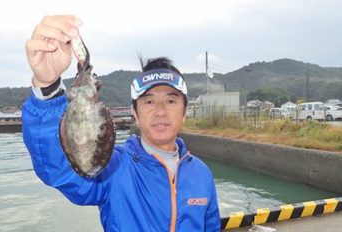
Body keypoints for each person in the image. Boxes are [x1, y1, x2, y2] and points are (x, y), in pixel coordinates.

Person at [23, 15, 220, 232]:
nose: (160, 111)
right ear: (135, 113)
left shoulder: (202, 174)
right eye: (149, 101)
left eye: (171, 100)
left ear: (184, 113)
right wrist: (47, 85)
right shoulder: (114, 168)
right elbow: (61, 170)